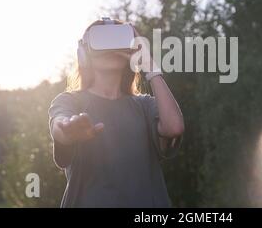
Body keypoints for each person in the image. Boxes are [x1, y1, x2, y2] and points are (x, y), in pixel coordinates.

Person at [48, 19, 185, 207]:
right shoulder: (71, 101)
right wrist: (67, 132)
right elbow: (59, 126)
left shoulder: (144, 105)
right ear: (84, 54)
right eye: (101, 41)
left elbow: (174, 127)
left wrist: (150, 66)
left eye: (118, 39)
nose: (110, 49)